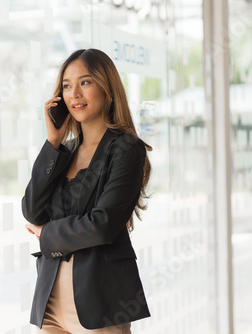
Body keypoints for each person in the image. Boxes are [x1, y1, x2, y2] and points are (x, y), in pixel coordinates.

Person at [22, 48, 152, 334]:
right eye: (67, 86)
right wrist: (52, 143)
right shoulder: (63, 152)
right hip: (51, 304)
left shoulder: (127, 150)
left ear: (107, 88)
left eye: (85, 82)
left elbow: (102, 226)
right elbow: (32, 211)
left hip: (100, 304)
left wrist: (47, 233)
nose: (74, 94)